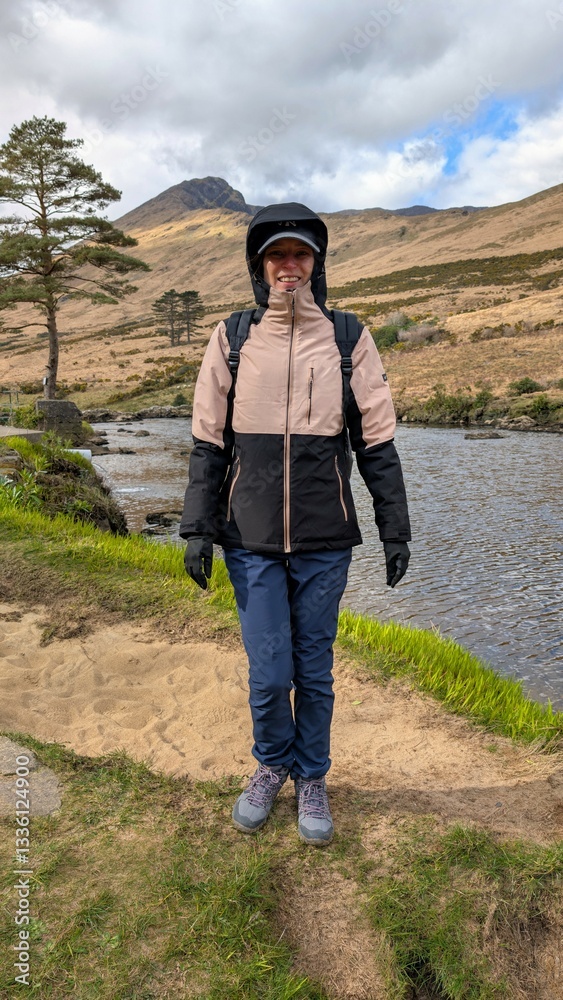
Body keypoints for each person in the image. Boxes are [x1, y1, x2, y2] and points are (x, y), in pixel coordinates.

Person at [180, 202, 411, 847]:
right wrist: (197, 529)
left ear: (316, 263)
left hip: (324, 540)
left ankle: (312, 776)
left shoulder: (347, 339)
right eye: (277, 255)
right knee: (269, 667)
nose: (289, 266)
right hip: (248, 539)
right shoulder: (230, 338)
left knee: (314, 668)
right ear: (260, 265)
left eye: (299, 255)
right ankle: (270, 762)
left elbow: (378, 444)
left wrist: (397, 528)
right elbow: (207, 442)